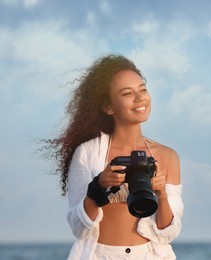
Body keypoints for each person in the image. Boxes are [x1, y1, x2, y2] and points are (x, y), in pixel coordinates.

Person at [44, 54, 183, 259]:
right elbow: (78, 227)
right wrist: (97, 188)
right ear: (108, 107)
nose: (139, 98)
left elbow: (168, 233)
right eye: (127, 93)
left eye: (142, 89)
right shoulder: (88, 153)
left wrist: (161, 194)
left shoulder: (167, 156)